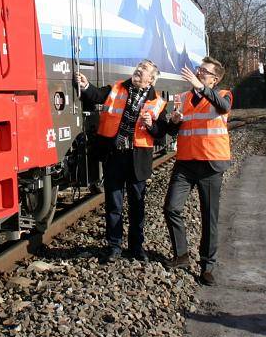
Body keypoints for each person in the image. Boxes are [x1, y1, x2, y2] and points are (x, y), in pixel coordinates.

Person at [76, 60, 168, 263]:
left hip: (138, 159)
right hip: (115, 156)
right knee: (113, 205)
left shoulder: (158, 102)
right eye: (139, 67)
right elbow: (96, 95)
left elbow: (161, 134)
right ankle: (114, 246)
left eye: (143, 69)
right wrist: (85, 85)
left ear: (151, 79)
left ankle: (136, 247)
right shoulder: (117, 88)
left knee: (137, 206)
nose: (138, 70)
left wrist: (151, 125)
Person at [163, 57, 232, 285]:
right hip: (185, 163)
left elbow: (223, 108)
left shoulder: (223, 95)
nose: (199, 72)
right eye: (199, 69)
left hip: (211, 164)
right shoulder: (184, 98)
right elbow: (173, 131)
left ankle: (207, 266)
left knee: (208, 216)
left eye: (205, 71)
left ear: (215, 79)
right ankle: (181, 255)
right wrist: (174, 122)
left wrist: (201, 88)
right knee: (171, 208)